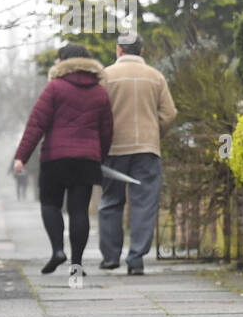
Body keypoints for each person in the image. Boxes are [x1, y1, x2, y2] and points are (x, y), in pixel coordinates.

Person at [13, 43, 113, 277]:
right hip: (86, 159)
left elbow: (36, 124)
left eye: (58, 59)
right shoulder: (100, 92)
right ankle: (76, 264)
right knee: (79, 210)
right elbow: (107, 130)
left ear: (64, 61)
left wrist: (22, 156)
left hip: (55, 158)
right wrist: (101, 156)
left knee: (50, 204)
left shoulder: (54, 88)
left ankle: (58, 250)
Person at [97, 33, 177, 275]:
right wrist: (155, 132)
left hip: (113, 149)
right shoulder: (155, 76)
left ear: (119, 50)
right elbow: (170, 113)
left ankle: (111, 256)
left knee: (111, 201)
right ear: (141, 52)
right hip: (147, 149)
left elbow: (96, 112)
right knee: (144, 203)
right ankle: (136, 258)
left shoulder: (105, 76)